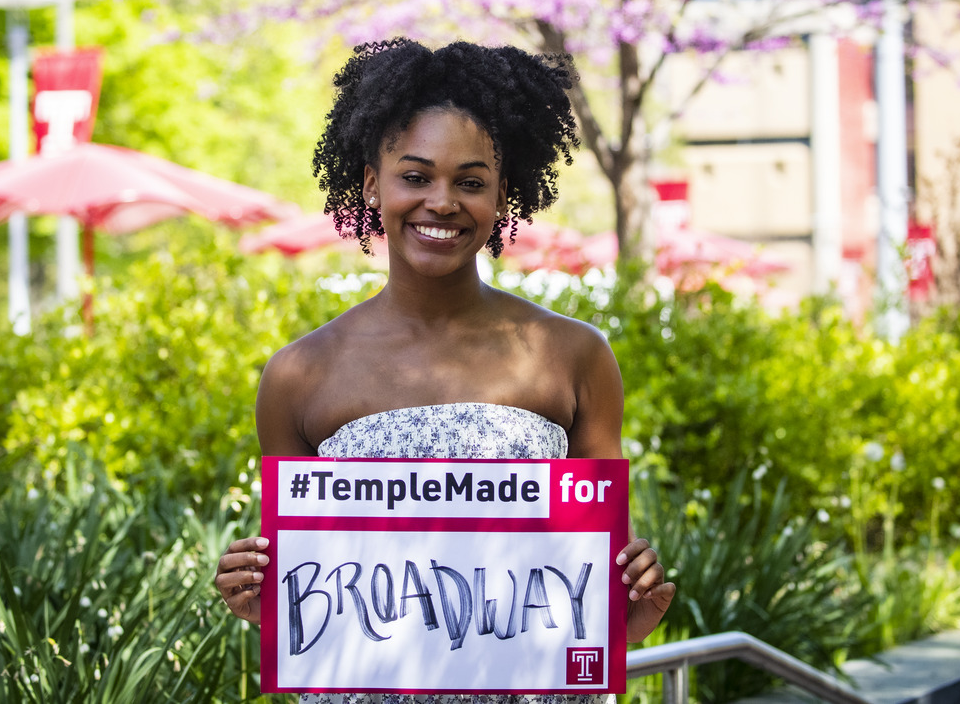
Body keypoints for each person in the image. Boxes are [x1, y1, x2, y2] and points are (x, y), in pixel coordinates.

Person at [215, 38, 676, 701]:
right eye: (414, 176)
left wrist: (630, 607)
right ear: (372, 184)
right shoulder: (301, 375)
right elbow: (307, 611)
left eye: (469, 181)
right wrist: (255, 599)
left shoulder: (572, 355)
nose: (442, 201)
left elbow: (593, 605)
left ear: (501, 195)